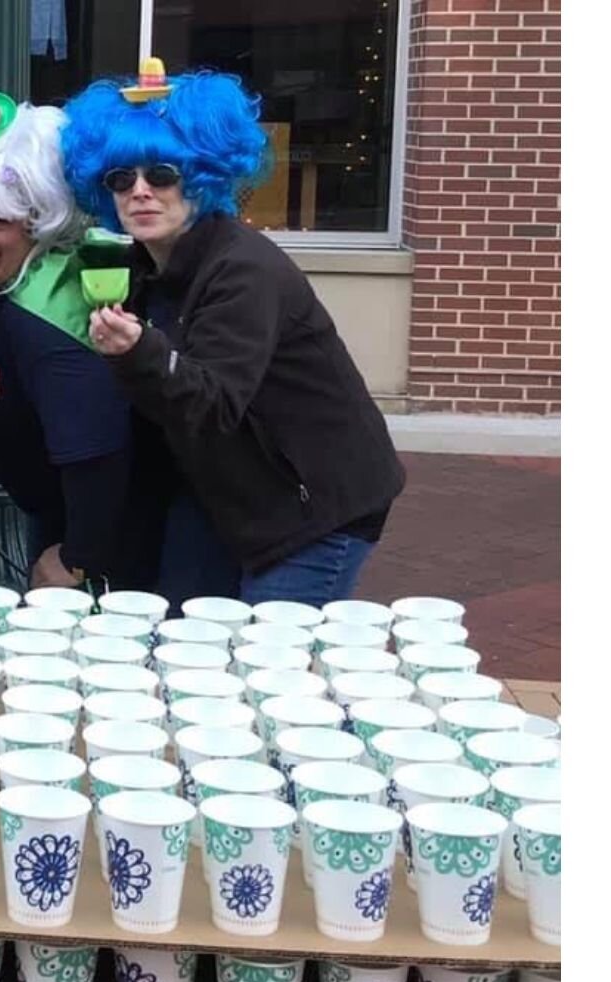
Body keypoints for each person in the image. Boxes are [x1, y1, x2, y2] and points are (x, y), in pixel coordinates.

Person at [63, 63, 406, 608]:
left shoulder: (243, 270)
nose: (141, 192)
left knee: (269, 667)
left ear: (202, 176)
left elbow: (214, 401)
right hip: (224, 494)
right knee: (187, 642)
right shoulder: (145, 269)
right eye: (120, 178)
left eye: (162, 174)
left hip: (311, 507)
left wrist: (139, 350)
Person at [0, 86, 152, 593]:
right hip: (47, 505)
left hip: (105, 533)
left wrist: (76, 559)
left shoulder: (52, 323)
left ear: (40, 221)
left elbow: (100, 457)